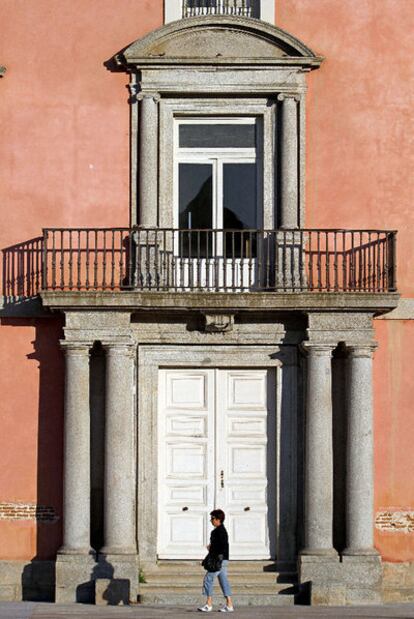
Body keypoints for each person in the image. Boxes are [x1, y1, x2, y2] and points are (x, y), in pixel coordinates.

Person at [198, 509, 234, 613]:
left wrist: (211, 548)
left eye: (212, 518)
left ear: (219, 519)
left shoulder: (218, 531)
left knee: (208, 579)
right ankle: (229, 604)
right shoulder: (222, 530)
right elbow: (224, 546)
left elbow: (221, 546)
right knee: (223, 581)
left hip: (218, 560)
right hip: (224, 559)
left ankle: (208, 604)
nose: (211, 520)